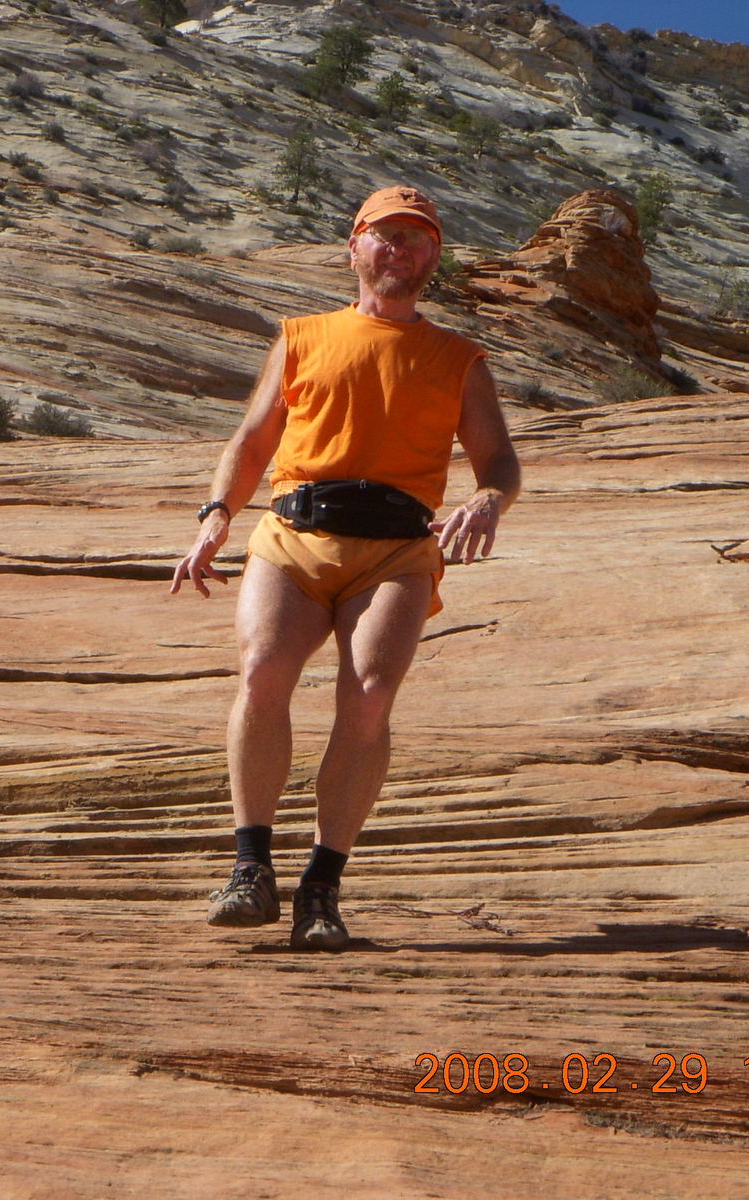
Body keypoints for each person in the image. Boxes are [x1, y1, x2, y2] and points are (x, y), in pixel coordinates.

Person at [169, 185, 521, 951]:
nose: (400, 249)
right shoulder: (302, 336)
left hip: (396, 550)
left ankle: (321, 887)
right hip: (293, 535)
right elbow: (253, 439)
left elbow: (498, 460)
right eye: (385, 235)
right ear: (354, 246)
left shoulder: (459, 360)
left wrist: (489, 499)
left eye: (417, 239)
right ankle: (250, 868)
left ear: (434, 258)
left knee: (368, 698)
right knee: (263, 668)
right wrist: (217, 514)